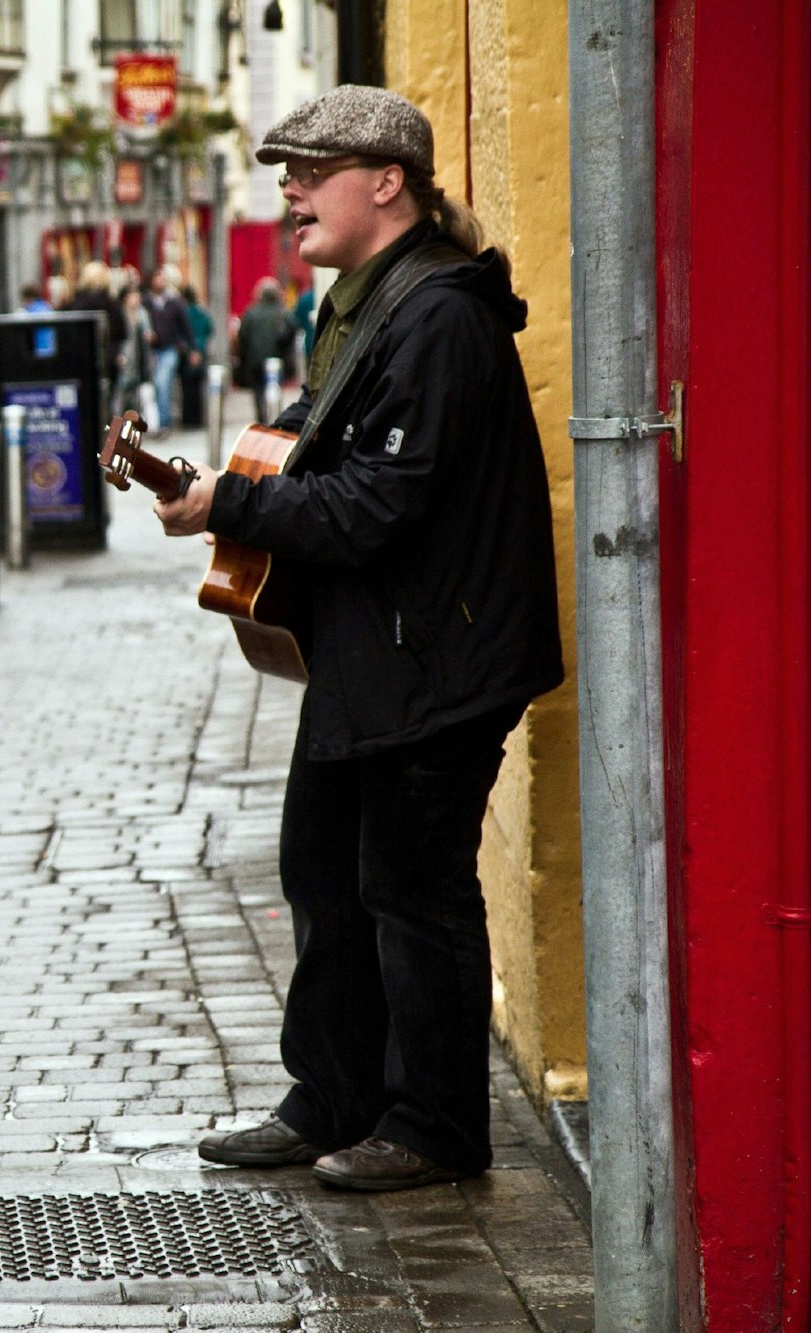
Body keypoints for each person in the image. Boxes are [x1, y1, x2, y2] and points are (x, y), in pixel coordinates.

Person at [151, 85, 563, 1192]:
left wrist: (228, 508)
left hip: (437, 657)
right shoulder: (365, 301)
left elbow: (378, 505)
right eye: (282, 167)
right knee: (320, 870)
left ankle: (431, 1124)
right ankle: (329, 1096)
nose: (286, 189)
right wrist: (223, 476)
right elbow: (317, 449)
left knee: (411, 887)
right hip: (371, 649)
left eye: (307, 168)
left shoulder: (435, 314)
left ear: (386, 183)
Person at [234, 278, 298, 424]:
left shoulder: (251, 313)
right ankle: (274, 416)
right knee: (275, 388)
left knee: (258, 392)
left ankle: (261, 417)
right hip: (277, 359)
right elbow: (294, 328)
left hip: (254, 359)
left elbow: (242, 336)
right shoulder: (283, 312)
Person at [143, 267, 195, 429]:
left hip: (169, 349)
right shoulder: (145, 302)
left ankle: (163, 421)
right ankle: (155, 418)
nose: (161, 282)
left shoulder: (174, 302)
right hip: (150, 350)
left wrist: (192, 348)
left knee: (163, 382)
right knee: (153, 385)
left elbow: (186, 326)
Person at [67, 260, 127, 370]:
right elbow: (121, 331)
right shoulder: (111, 303)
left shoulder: (77, 302)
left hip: (80, 358)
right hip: (108, 358)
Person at [116, 284, 153, 419]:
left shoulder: (142, 314)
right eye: (133, 296)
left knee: (136, 391)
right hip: (126, 355)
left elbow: (148, 334)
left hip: (139, 357)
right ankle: (118, 421)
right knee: (121, 390)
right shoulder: (120, 313)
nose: (137, 299)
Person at [180, 283, 214, 428]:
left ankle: (188, 418)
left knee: (187, 387)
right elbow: (209, 328)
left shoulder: (183, 312)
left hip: (187, 352)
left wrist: (189, 350)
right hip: (200, 350)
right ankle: (198, 418)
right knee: (198, 387)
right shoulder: (201, 312)